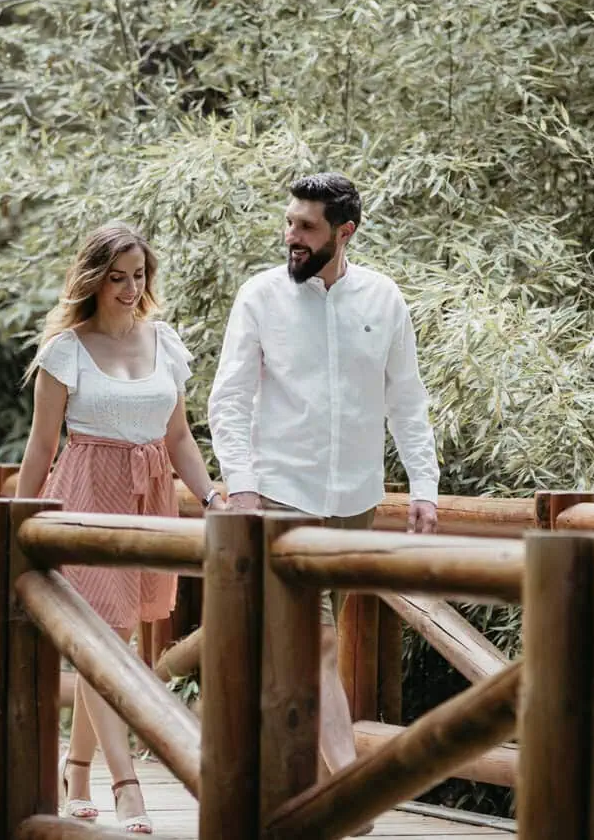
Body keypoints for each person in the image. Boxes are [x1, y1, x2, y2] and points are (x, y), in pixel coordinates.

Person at [207, 172, 440, 811]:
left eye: (307, 227)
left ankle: (289, 800)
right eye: (289, 222)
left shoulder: (383, 299)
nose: (292, 236)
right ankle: (349, 792)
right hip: (280, 497)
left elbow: (406, 400)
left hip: (355, 501)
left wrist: (424, 485)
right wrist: (243, 488)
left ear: (345, 232)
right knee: (319, 644)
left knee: (299, 655)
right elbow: (229, 400)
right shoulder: (260, 296)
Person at [15, 224, 225, 834]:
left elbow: (179, 438)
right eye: (117, 277)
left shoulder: (164, 342)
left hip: (151, 494)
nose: (131, 288)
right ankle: (125, 785)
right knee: (105, 638)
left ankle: (75, 770)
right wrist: (16, 519)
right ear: (93, 279)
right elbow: (42, 446)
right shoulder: (66, 350)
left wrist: (212, 496)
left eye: (138, 276)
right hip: (86, 493)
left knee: (112, 637)